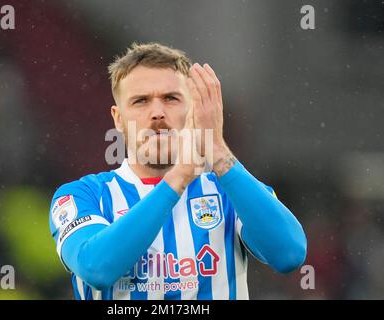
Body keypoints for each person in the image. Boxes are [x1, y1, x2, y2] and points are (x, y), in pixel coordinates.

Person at [49, 42, 307, 300]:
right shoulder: (82, 195)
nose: (158, 113)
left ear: (192, 109)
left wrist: (217, 151)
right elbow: (96, 269)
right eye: (141, 101)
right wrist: (177, 180)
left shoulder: (228, 190)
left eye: (171, 98)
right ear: (118, 118)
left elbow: (289, 254)